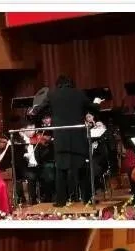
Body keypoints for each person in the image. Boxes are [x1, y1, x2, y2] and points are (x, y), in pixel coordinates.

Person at [31, 75, 102, 206]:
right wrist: (97, 102)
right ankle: (87, 199)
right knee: (82, 168)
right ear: (71, 83)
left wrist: (35, 110)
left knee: (61, 170)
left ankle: (60, 201)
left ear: (58, 84)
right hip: (78, 137)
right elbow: (94, 108)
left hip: (61, 138)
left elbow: (37, 111)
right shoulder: (79, 93)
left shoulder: (52, 95)